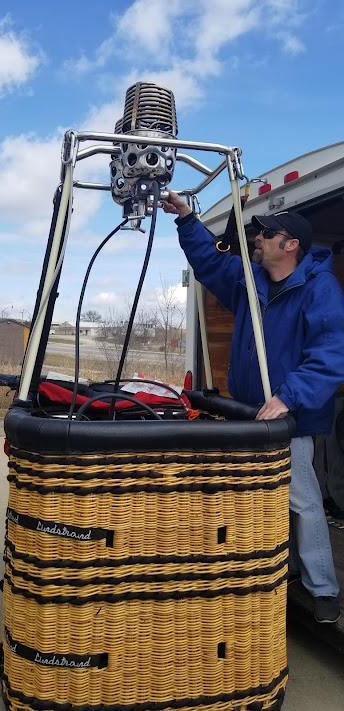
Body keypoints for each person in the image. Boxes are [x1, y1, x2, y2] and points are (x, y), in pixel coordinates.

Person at [162, 189, 344, 624]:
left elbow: (330, 353)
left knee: (299, 499)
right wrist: (187, 218)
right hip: (247, 415)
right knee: (253, 498)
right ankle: (278, 570)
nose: (256, 239)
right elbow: (209, 261)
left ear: (291, 244)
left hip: (288, 419)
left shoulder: (319, 289)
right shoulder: (250, 282)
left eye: (266, 234)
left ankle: (323, 589)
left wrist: (287, 397)